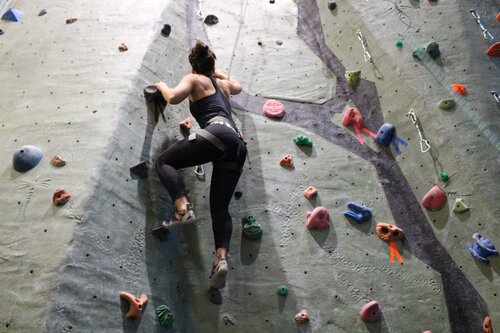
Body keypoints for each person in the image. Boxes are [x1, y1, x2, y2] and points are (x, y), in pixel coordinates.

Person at [155, 40, 247, 290]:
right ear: (212, 65)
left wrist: (160, 85)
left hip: (217, 132)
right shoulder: (223, 85)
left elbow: (173, 97)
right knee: (220, 209)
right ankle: (221, 260)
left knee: (164, 161)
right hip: (238, 146)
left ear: (193, 67)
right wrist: (217, 73)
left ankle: (182, 208)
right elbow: (238, 85)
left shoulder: (195, 80)